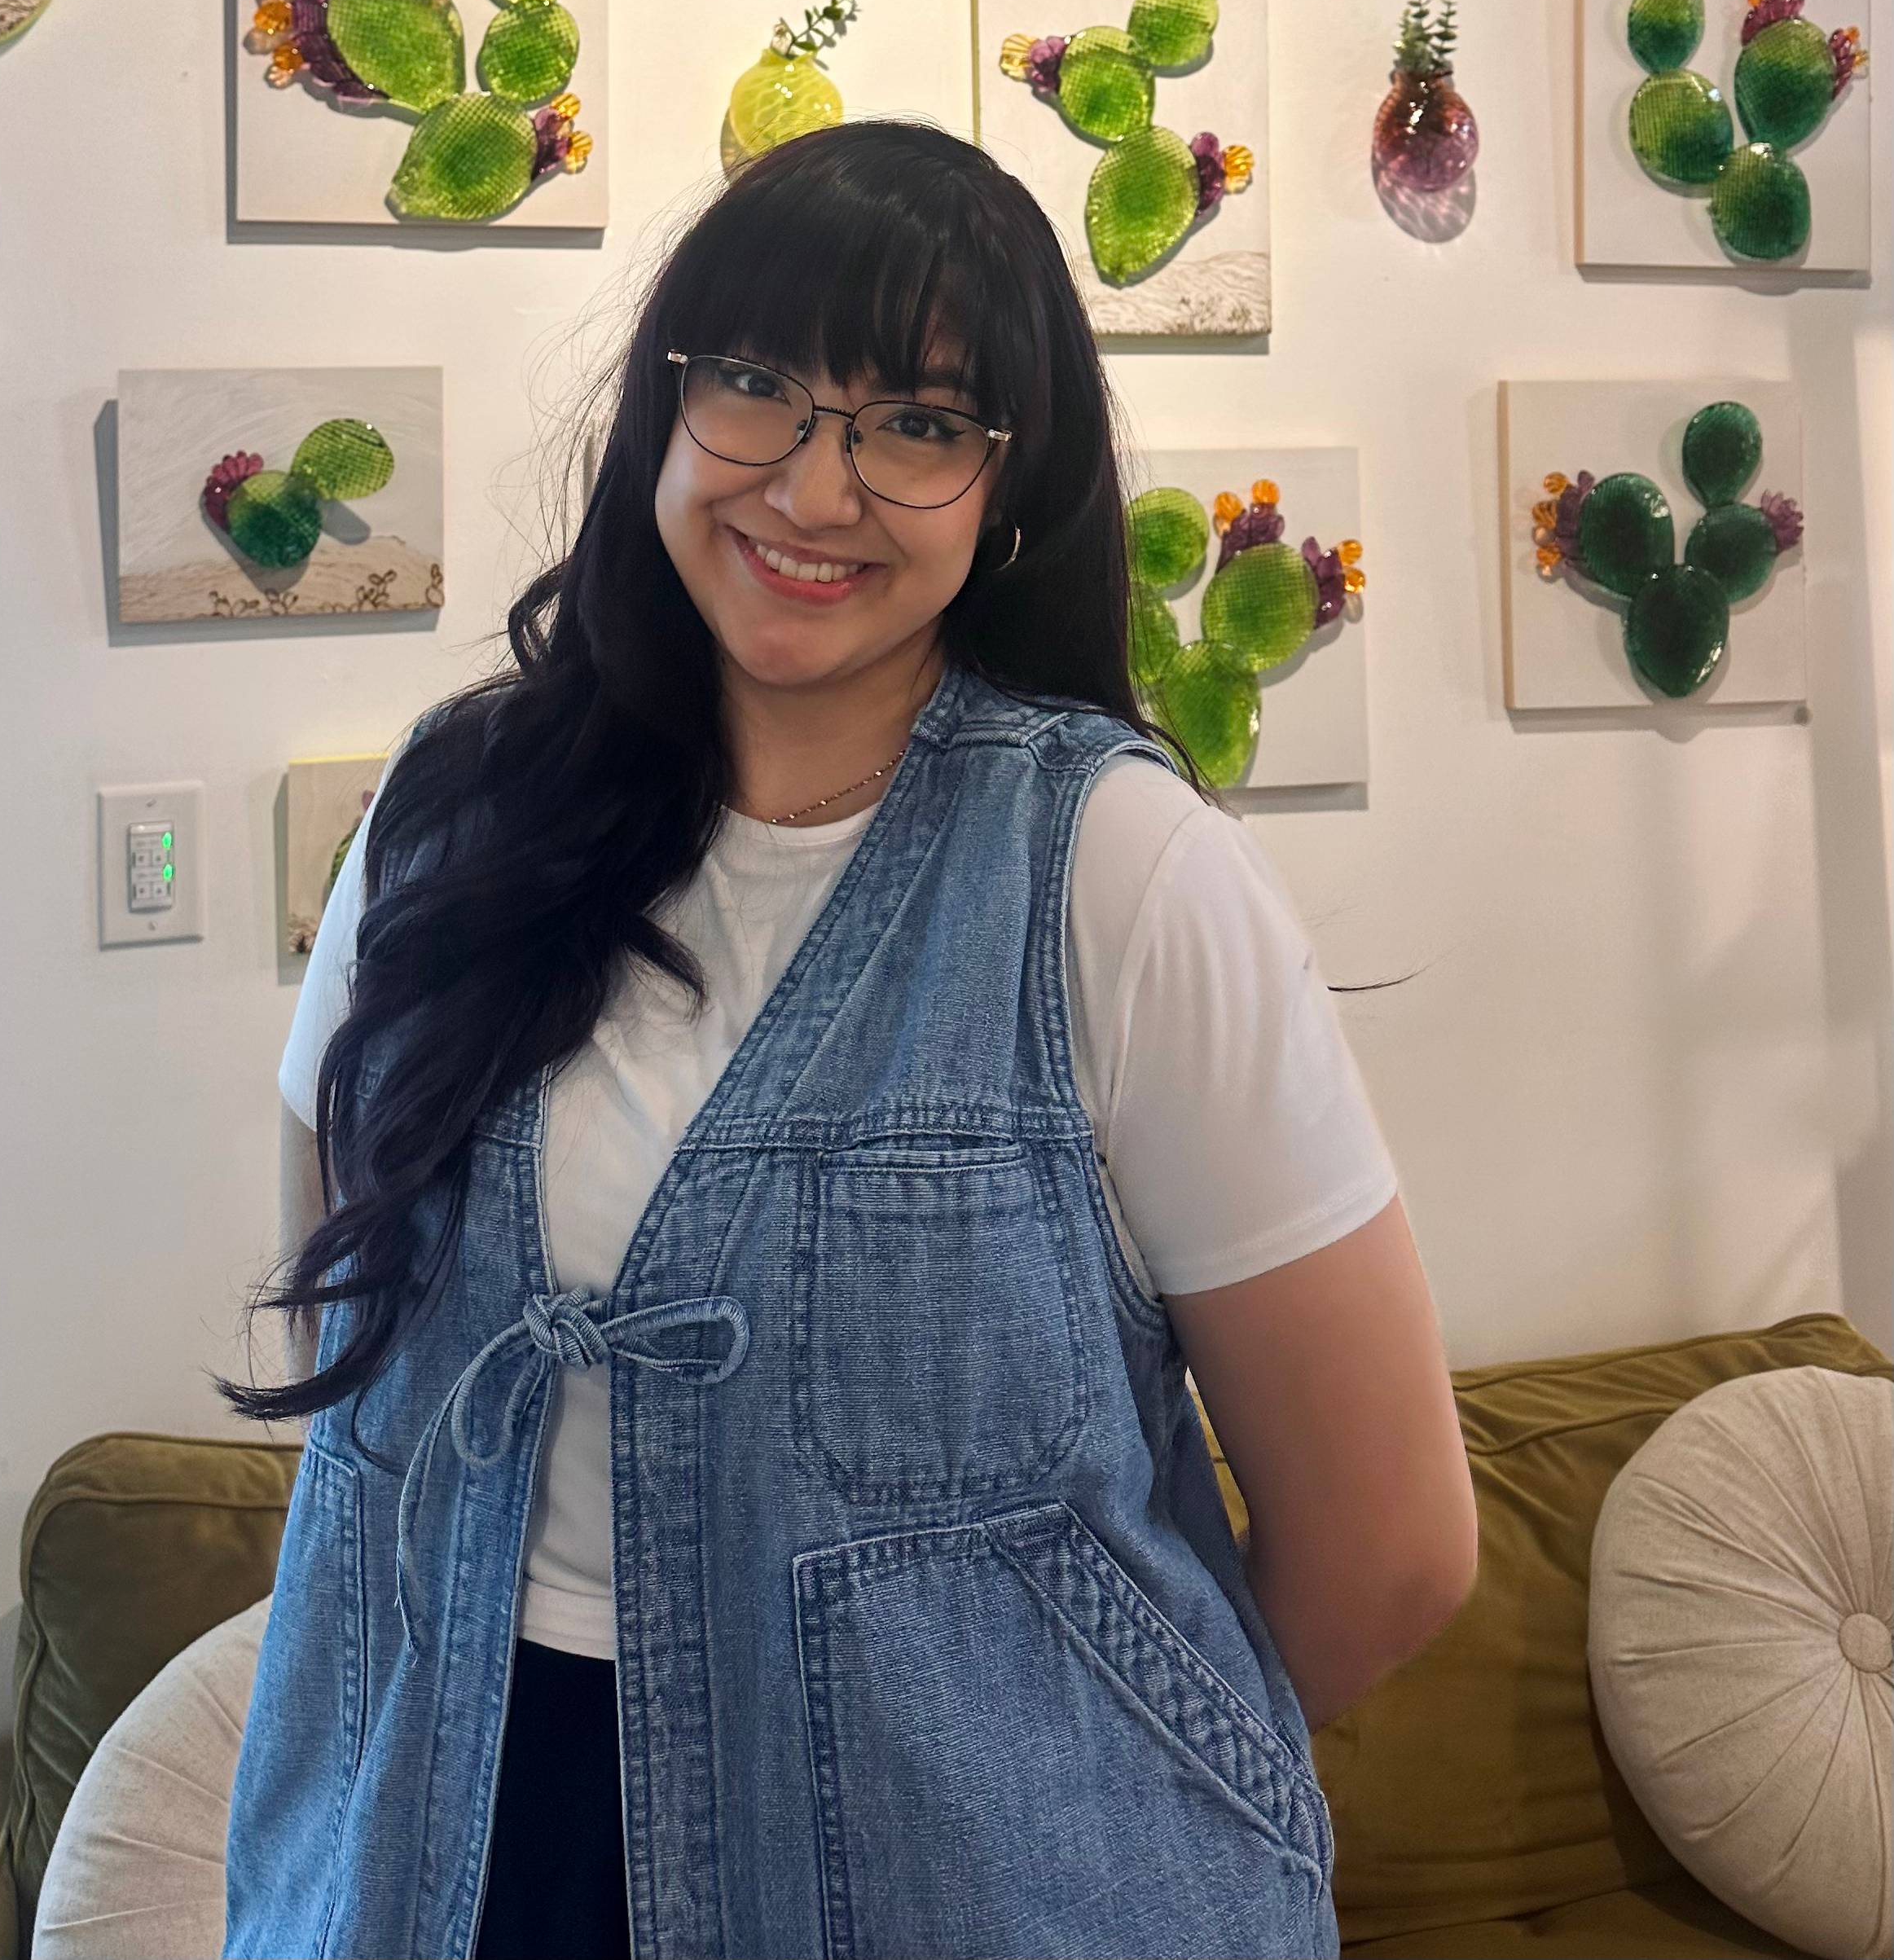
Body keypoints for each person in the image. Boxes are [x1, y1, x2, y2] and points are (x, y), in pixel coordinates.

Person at [219, 121, 1477, 1960]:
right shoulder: (452, 813)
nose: (812, 487)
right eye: (753, 386)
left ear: (1007, 486)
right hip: (442, 1819)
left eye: (912, 421)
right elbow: (351, 1312)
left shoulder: (1116, 874)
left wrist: (1049, 1758)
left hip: (940, 1864)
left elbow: (1387, 1547)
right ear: (666, 410)